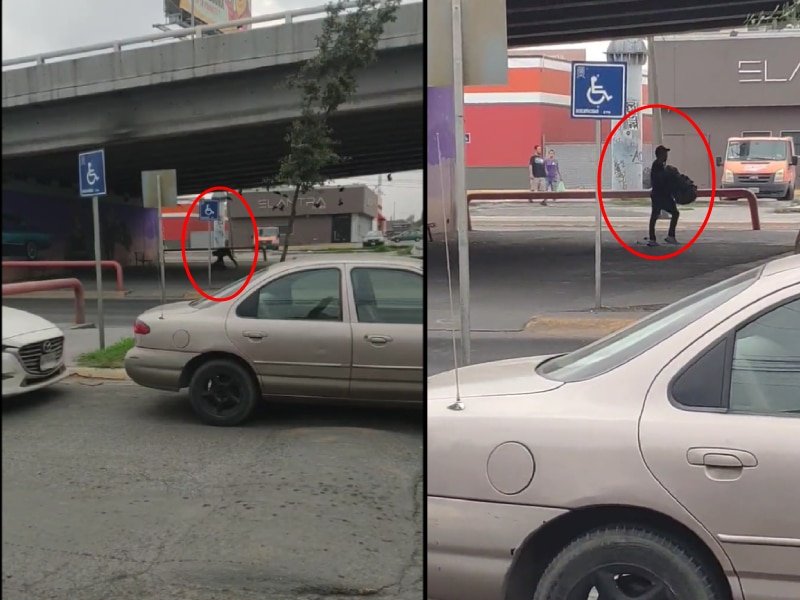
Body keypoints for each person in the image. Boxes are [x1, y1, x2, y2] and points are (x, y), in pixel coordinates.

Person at [648, 145, 679, 247]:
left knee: (658, 215)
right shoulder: (657, 165)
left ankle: (665, 237)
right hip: (659, 195)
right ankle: (655, 238)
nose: (666, 155)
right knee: (656, 216)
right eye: (665, 153)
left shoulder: (660, 165)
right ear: (660, 155)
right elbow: (659, 179)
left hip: (662, 195)